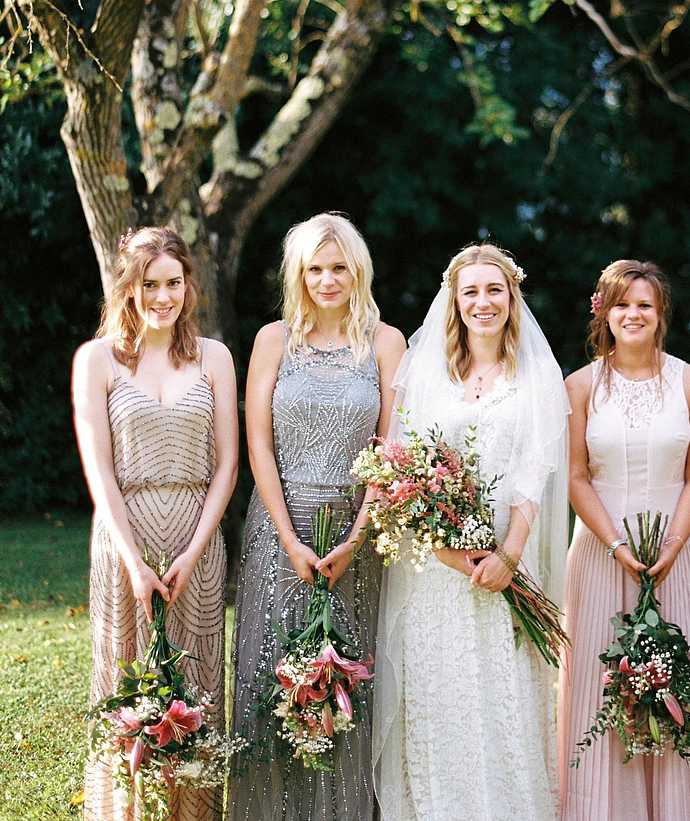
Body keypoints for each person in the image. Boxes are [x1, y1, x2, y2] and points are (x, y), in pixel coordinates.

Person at [374, 243, 569, 821]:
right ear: (454, 302)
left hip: (508, 558)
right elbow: (399, 464)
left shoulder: (536, 372)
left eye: (494, 290)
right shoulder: (426, 368)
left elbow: (537, 468)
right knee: (442, 697)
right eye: (471, 292)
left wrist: (507, 556)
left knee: (503, 695)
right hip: (436, 567)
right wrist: (450, 551)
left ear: (512, 298)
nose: (483, 303)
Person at [228, 212, 405, 821]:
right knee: (269, 670)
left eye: (339, 268)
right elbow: (258, 445)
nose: (327, 280)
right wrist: (287, 536)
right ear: (297, 274)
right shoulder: (272, 340)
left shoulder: (387, 343)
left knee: (347, 684)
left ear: (358, 271)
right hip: (280, 528)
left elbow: (391, 452)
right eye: (314, 268)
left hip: (356, 530)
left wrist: (357, 537)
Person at [73, 226, 239, 821]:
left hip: (198, 535)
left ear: (189, 286)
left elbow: (228, 465)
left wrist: (193, 552)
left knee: (195, 680)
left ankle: (192, 814)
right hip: (126, 538)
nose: (163, 296)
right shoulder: (97, 360)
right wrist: (135, 563)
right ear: (129, 286)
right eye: (150, 284)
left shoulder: (213, 356)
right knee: (126, 678)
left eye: (173, 283)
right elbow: (100, 472)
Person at [558, 259, 690, 821]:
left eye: (644, 305)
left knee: (677, 684)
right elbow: (577, 477)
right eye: (622, 303)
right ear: (603, 311)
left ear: (661, 315)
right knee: (600, 693)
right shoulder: (578, 386)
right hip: (600, 554)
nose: (633, 315)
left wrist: (674, 544)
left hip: (676, 552)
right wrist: (615, 545)